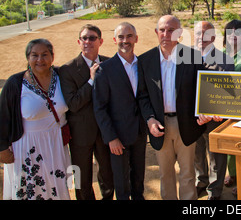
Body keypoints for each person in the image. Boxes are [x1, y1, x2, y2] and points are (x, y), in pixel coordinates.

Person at [137, 15, 210, 200]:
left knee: (187, 174)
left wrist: (204, 110)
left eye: (171, 30)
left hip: (186, 124)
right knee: (165, 173)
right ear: (156, 32)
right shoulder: (145, 60)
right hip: (159, 126)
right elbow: (143, 96)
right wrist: (149, 119)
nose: (166, 34)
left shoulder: (192, 56)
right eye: (162, 30)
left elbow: (202, 89)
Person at [0, 39, 71, 200]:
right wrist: (2, 148)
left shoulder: (62, 76)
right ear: (28, 58)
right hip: (26, 148)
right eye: (35, 55)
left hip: (56, 145)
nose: (40, 60)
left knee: (56, 188)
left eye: (45, 55)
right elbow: (3, 117)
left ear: (52, 56)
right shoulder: (15, 83)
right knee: (31, 190)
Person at [59, 24, 114, 200]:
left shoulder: (110, 63)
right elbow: (73, 104)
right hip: (80, 133)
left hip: (105, 132)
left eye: (92, 38)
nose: (88, 41)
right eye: (84, 38)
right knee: (82, 178)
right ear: (79, 41)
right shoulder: (67, 69)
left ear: (101, 41)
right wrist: (91, 81)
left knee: (108, 175)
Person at [93, 22, 147, 200]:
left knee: (138, 178)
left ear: (136, 39)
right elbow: (100, 107)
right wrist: (111, 138)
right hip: (118, 137)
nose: (125, 41)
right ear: (115, 40)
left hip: (140, 133)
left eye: (129, 36)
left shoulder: (144, 65)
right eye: (121, 37)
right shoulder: (105, 69)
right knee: (121, 182)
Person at [193, 21, 234, 200]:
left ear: (213, 37)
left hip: (215, 118)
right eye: (197, 34)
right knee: (197, 153)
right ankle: (200, 182)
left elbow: (228, 91)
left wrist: (215, 111)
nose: (201, 38)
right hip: (193, 119)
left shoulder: (225, 60)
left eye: (205, 34)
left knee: (216, 157)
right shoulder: (186, 58)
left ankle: (214, 191)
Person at [222, 19, 241, 192]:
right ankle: (232, 174)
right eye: (229, 31)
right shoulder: (220, 53)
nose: (233, 35)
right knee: (228, 143)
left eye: (237, 31)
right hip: (223, 106)